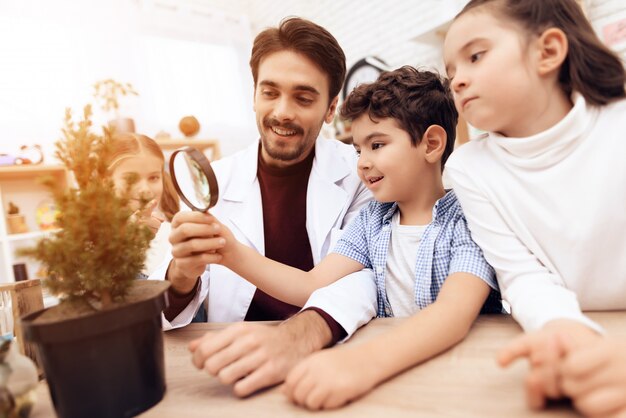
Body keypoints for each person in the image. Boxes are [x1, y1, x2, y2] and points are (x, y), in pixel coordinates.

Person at [192, 66, 502, 409]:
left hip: (463, 376)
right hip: (393, 381)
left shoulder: (468, 218)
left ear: (431, 144)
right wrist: (229, 252)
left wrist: (360, 363)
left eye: (378, 145)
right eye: (358, 150)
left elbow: (453, 314)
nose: (363, 163)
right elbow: (310, 285)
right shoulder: (372, 221)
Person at [149, 17, 376, 396]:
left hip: (332, 359)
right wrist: (183, 273)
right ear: (254, 94)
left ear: (331, 108)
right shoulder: (213, 179)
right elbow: (169, 303)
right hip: (231, 368)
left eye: (303, 98)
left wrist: (299, 335)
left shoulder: (362, 175)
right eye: (270, 92)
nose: (282, 112)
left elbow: (364, 279)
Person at [442, 0, 626, 414]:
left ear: (547, 51)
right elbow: (521, 275)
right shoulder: (469, 167)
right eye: (451, 72)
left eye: (475, 56)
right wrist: (562, 328)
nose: (456, 81)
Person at [109, 133, 179, 275]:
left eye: (153, 177)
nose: (145, 189)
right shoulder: (88, 239)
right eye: (131, 178)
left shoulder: (174, 235)